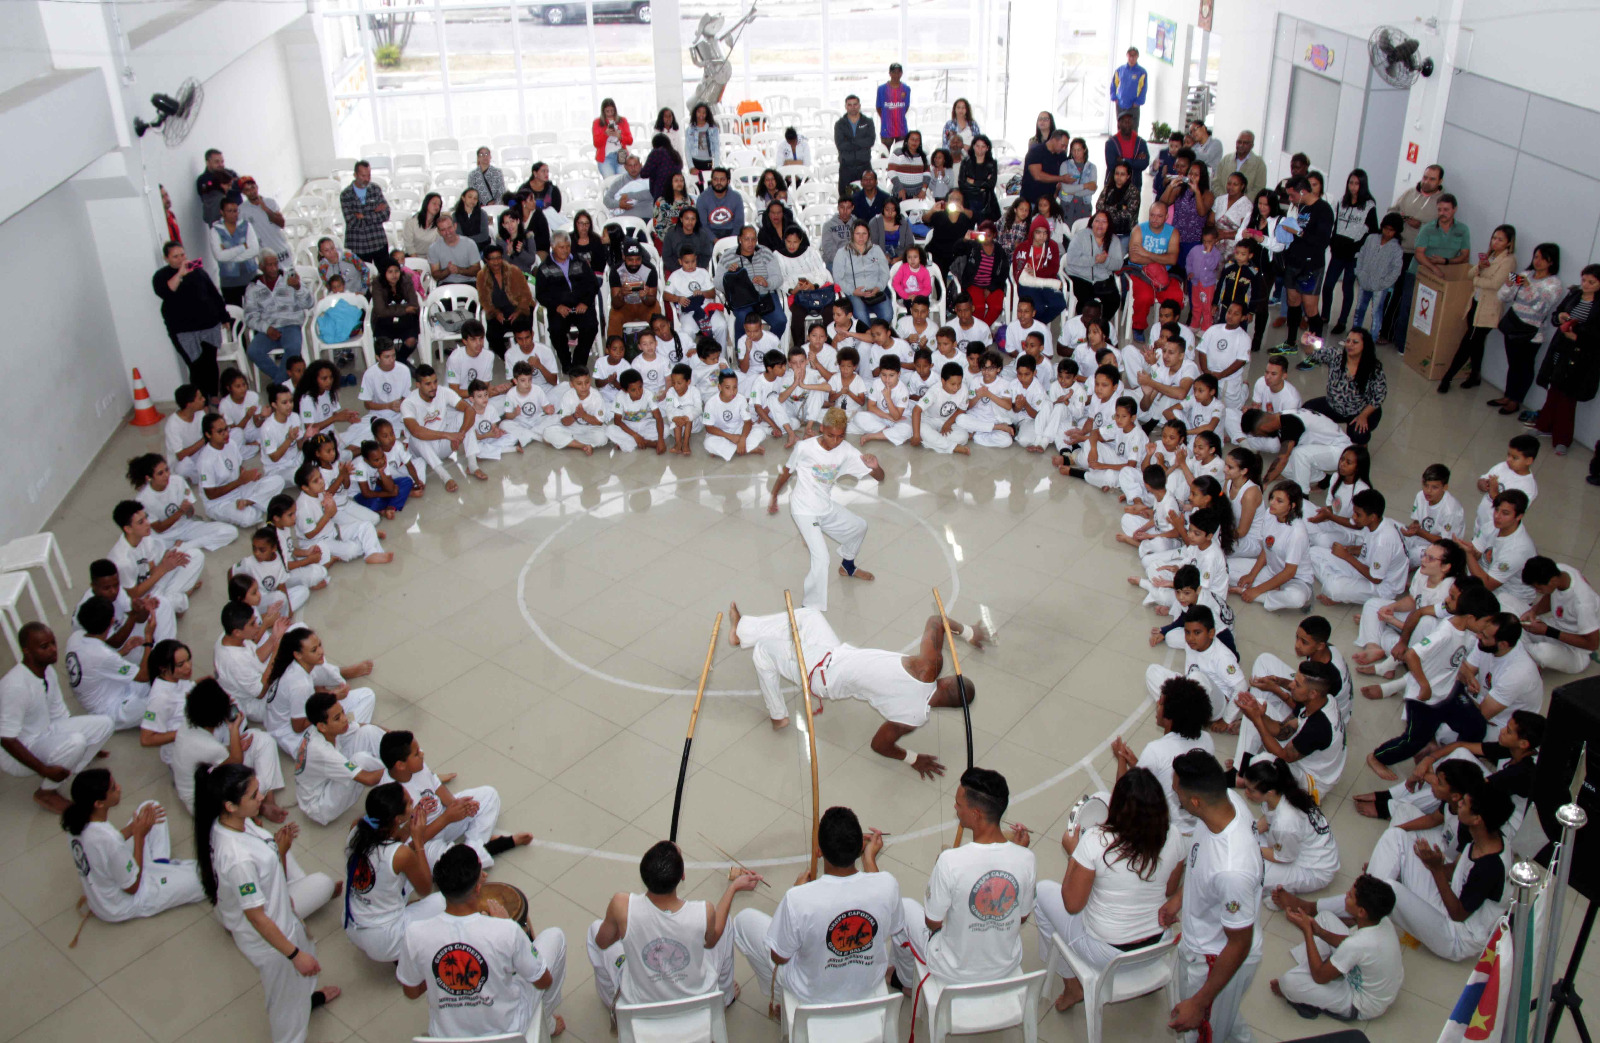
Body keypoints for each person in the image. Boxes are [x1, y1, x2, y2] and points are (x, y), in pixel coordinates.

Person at [196, 762, 341, 1041]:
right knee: (286, 1006)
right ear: (230, 806)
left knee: (301, 975)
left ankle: (306, 1000)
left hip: (283, 917)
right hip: (272, 941)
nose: (261, 797)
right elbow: (256, 916)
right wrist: (294, 955)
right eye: (253, 796)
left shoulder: (237, 823)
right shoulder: (237, 858)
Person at [732, 806, 900, 1019]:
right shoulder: (887, 884)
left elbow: (779, 956)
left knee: (743, 922)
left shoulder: (798, 898)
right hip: (866, 986)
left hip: (814, 994)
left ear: (818, 851)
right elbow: (890, 925)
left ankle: (782, 999)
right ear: (860, 848)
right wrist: (869, 859)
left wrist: (796, 891)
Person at [1036, 766, 1181, 1013]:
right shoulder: (1174, 835)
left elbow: (1072, 904)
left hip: (1108, 954)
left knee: (1041, 893)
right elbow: (1169, 888)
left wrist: (1074, 854)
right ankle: (1150, 984)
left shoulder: (1096, 840)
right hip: (1157, 947)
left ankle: (1072, 986)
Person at [400, 843, 567, 1037]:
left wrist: (442, 977)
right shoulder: (506, 930)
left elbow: (411, 992)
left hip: (447, 1037)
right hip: (508, 1032)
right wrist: (514, 929)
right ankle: (547, 1023)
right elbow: (543, 981)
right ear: (478, 887)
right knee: (555, 937)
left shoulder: (414, 933)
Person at [894, 768, 1035, 993]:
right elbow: (1023, 915)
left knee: (904, 909)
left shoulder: (950, 861)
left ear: (976, 814)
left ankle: (905, 982)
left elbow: (932, 922)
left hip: (953, 970)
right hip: (1005, 965)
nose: (955, 808)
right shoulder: (1026, 858)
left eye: (959, 804)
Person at [587, 841, 760, 1020]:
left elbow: (602, 941)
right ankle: (725, 996)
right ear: (683, 875)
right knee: (725, 926)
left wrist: (624, 930)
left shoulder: (621, 905)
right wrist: (733, 888)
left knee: (594, 930)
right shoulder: (702, 911)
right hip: (696, 1001)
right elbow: (713, 940)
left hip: (641, 1004)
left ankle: (613, 1003)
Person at [1165, 750, 1264, 1043]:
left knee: (1204, 1035)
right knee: (1226, 1020)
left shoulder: (1232, 868)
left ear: (1195, 801)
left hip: (1213, 959)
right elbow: (1201, 862)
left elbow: (1239, 943)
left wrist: (1199, 1002)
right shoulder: (1225, 802)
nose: (1175, 797)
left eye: (1177, 792)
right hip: (1204, 941)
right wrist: (1180, 898)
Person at [764, 408, 885, 610]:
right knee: (821, 558)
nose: (835, 441)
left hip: (824, 506)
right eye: (830, 436)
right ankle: (810, 607)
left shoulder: (846, 451)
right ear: (822, 429)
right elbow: (786, 472)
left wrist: (875, 466)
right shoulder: (804, 448)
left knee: (859, 526)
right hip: (803, 508)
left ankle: (847, 567)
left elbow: (880, 477)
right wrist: (774, 495)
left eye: (840, 436)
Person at [62, 767, 204, 923]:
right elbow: (132, 887)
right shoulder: (109, 839)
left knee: (150, 807)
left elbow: (106, 850)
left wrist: (132, 829)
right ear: (99, 803)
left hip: (110, 882)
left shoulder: (76, 821)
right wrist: (139, 836)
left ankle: (160, 866)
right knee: (205, 877)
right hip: (125, 902)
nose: (119, 788)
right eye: (113, 788)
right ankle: (161, 876)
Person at [0, 624, 114, 813]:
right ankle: (46, 792)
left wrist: (91, 741)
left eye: (53, 643)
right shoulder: (15, 687)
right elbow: (6, 739)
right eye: (44, 647)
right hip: (20, 751)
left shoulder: (47, 671)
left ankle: (71, 767)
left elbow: (59, 715)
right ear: (26, 651)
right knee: (76, 742)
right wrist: (44, 770)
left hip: (45, 732)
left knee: (105, 724)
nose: (53, 649)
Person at [1271, 876, 1404, 1021]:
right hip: (1374, 981)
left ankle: (1306, 988)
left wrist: (1307, 932)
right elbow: (1349, 942)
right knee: (1325, 917)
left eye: (1351, 896)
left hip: (1360, 1003)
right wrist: (1319, 931)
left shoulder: (1357, 944)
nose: (1346, 895)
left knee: (1288, 983)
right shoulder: (1382, 921)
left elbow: (1320, 977)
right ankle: (1321, 969)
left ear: (1361, 912)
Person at [343, 784, 447, 964]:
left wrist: (409, 822)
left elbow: (389, 839)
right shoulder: (400, 854)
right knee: (443, 901)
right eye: (409, 803)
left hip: (353, 925)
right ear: (397, 819)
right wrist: (418, 839)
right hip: (385, 939)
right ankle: (406, 952)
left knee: (397, 875)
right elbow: (424, 888)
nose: (413, 801)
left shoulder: (358, 827)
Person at [1239, 758, 1339, 902]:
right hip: (1294, 844)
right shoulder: (1283, 794)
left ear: (1270, 793)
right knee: (1244, 829)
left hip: (1313, 870)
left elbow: (1283, 857)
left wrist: (1250, 846)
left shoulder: (1286, 822)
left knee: (1248, 870)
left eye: (1251, 790)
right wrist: (1248, 833)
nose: (1246, 793)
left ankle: (1281, 894)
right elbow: (1268, 819)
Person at [1439, 224, 1518, 392]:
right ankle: (1475, 374)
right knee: (1476, 343)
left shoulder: (1508, 261)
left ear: (1509, 243)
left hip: (1488, 310)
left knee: (1468, 342)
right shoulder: (1490, 256)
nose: (1495, 242)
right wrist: (1480, 268)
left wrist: (1476, 280)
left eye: (1500, 239)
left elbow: (1495, 284)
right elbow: (1469, 273)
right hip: (1475, 303)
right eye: (1494, 238)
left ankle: (1448, 376)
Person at [1531, 263, 1600, 454]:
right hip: (1561, 348)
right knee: (1554, 390)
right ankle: (1544, 426)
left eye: (1591, 282)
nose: (1585, 285)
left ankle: (1563, 439)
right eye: (1584, 280)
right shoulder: (1575, 294)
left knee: (1568, 397)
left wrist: (1577, 334)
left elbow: (1596, 333)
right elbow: (1556, 315)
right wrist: (1560, 317)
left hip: (1582, 354)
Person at [1488, 243, 1563, 417]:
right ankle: (1508, 395)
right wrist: (1508, 284)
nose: (1538, 261)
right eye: (1536, 257)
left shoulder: (1554, 284)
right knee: (1513, 364)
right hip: (1513, 326)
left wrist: (1529, 287)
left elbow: (1541, 307)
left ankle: (1516, 399)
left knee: (1525, 366)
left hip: (1531, 333)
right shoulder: (1524, 274)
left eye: (1543, 258)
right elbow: (1503, 297)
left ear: (1551, 261)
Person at [152, 240, 229, 399]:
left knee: (210, 363)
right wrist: (180, 273)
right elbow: (166, 292)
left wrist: (224, 317)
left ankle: (213, 395)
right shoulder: (160, 276)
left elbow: (213, 294)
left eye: (182, 255)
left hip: (208, 325)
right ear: (166, 258)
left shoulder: (197, 270)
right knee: (195, 366)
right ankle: (200, 400)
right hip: (182, 330)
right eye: (175, 257)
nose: (180, 259)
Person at [1296, 328, 1387, 444]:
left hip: (1360, 410)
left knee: (1358, 434)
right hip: (1334, 405)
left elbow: (1379, 396)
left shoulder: (1374, 368)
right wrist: (1306, 343)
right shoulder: (1336, 356)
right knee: (1306, 411)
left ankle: (1361, 449)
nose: (1350, 345)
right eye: (1348, 341)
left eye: (1355, 342)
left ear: (1365, 345)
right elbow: (1313, 353)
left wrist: (1363, 415)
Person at [1276, 176, 1336, 349]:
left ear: (1302, 192)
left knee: (1310, 308)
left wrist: (1298, 232)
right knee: (1293, 302)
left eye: (1292, 195)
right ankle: (1290, 342)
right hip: (1294, 261)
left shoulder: (1324, 210)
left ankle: (1316, 349)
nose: (1290, 200)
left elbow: (1322, 242)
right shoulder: (1301, 207)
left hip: (1311, 266)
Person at [241, 252, 313, 385]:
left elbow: (309, 303)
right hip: (268, 328)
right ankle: (283, 381)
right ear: (261, 267)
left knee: (293, 348)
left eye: (275, 264)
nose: (274, 268)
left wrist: (298, 287)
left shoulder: (289, 279)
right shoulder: (253, 287)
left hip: (291, 324)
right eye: (269, 265)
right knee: (253, 351)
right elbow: (250, 316)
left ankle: (278, 385)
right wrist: (266, 329)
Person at [1519, 556, 1600, 672]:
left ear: (1552, 581)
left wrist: (1547, 631)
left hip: (1577, 652)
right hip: (1556, 627)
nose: (1538, 592)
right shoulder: (1560, 570)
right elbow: (1551, 596)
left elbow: (1592, 644)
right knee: (1509, 606)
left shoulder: (1583, 603)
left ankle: (1522, 649)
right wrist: (1533, 611)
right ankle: (1525, 649)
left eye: (1539, 588)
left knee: (1542, 653)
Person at [533, 234, 600, 373]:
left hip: (581, 306)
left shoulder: (580, 262)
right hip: (559, 308)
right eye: (561, 247)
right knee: (556, 330)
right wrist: (556, 306)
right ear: (552, 247)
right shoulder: (544, 268)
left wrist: (585, 303)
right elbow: (541, 294)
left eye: (567, 246)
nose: (565, 250)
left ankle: (579, 361)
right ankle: (565, 361)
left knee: (591, 326)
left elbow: (593, 285)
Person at [1128, 200, 1184, 341]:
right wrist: (1160, 259)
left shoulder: (1173, 232)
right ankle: (1138, 327)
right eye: (1152, 215)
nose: (1154, 219)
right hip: (1140, 272)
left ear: (1166, 217)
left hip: (1166, 273)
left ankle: (1169, 328)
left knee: (1176, 297)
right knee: (1144, 297)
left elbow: (1172, 260)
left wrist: (1146, 253)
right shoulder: (1138, 230)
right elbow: (1134, 258)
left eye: (1159, 216)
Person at [834, 222, 892, 327]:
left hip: (875, 291)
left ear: (869, 234)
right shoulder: (842, 253)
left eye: (864, 233)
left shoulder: (876, 250)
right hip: (855, 293)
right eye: (857, 233)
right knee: (861, 316)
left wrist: (878, 287)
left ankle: (877, 337)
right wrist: (853, 291)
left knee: (887, 315)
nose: (861, 237)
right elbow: (838, 279)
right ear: (852, 234)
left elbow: (885, 273)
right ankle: (868, 337)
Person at [208, 198, 261, 307]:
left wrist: (229, 254)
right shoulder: (215, 230)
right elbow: (219, 256)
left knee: (256, 312)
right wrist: (243, 247)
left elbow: (254, 250)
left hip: (250, 277)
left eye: (236, 210)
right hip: (229, 282)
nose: (234, 214)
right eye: (230, 211)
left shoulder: (246, 226)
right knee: (235, 318)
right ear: (222, 212)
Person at [339, 160, 391, 269]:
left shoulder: (375, 189)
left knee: (384, 276)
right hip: (358, 245)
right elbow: (352, 222)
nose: (367, 179)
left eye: (369, 175)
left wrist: (364, 216)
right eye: (363, 176)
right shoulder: (346, 195)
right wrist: (374, 212)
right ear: (355, 175)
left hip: (378, 242)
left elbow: (386, 214)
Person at [834, 94, 877, 193]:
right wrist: (860, 142)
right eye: (850, 105)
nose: (853, 107)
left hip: (864, 165)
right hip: (846, 167)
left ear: (859, 105)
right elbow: (841, 145)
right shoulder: (840, 124)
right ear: (846, 107)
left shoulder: (868, 122)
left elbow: (870, 141)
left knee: (868, 196)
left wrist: (851, 141)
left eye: (855, 104)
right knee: (845, 197)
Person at [662, 204, 714, 277]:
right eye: (687, 218)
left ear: (696, 220)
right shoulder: (671, 233)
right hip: (675, 271)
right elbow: (667, 256)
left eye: (693, 219)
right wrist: (680, 271)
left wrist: (694, 269)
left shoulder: (702, 234)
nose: (690, 222)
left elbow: (706, 256)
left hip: (697, 271)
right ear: (681, 219)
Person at [958, 134, 1000, 222]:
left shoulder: (992, 163)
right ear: (973, 146)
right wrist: (981, 185)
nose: (980, 149)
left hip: (986, 202)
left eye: (983, 146)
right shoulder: (965, 162)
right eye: (977, 146)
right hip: (969, 200)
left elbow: (991, 184)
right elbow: (962, 184)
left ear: (987, 148)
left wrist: (973, 182)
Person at [695, 166, 745, 241]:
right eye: (715, 179)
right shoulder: (702, 199)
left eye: (722, 179)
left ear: (728, 181)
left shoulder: (736, 197)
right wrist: (714, 240)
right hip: (710, 232)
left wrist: (730, 240)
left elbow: (739, 223)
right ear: (711, 181)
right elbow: (703, 225)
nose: (718, 182)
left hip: (731, 232)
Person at [1021, 130, 1070, 206]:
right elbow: (1037, 176)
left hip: (1049, 201)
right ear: (1054, 140)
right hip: (1031, 201)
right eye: (1063, 145)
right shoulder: (1036, 151)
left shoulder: (1061, 155)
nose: (1064, 148)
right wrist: (1061, 178)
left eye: (1066, 146)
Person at [1213, 131, 1265, 201]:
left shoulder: (1258, 164)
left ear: (1252, 145)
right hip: (1222, 202)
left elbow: (1259, 188)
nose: (1241, 145)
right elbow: (1215, 182)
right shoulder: (1226, 160)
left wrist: (1240, 201)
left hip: (1245, 206)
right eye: (1239, 142)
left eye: (1245, 143)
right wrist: (1225, 198)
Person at [1104, 111, 1151, 185]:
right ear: (1119, 124)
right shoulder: (1111, 143)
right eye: (1124, 121)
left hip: (1135, 184)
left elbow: (1144, 164)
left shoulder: (1141, 143)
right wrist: (1134, 160)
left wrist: (1123, 159)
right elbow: (1111, 165)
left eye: (1129, 121)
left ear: (1133, 123)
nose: (1127, 123)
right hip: (1115, 185)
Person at [592, 96, 632, 176]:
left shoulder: (622, 121)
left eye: (612, 111)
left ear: (615, 110)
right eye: (607, 111)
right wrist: (605, 134)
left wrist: (620, 136)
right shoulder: (597, 122)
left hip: (621, 154)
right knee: (610, 182)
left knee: (623, 179)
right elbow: (596, 144)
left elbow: (630, 140)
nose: (610, 113)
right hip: (606, 157)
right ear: (603, 112)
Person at [875, 62, 910, 147]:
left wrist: (898, 116)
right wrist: (886, 119)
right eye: (894, 72)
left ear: (901, 73)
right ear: (889, 73)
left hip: (901, 129)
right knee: (884, 156)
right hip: (886, 129)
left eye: (898, 72)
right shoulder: (881, 89)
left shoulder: (906, 89)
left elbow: (906, 107)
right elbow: (878, 107)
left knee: (901, 156)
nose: (896, 74)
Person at [684, 103, 720, 184]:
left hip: (708, 162)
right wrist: (691, 167)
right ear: (695, 113)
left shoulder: (713, 128)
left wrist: (716, 167)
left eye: (704, 112)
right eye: (699, 112)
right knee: (698, 187)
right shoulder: (690, 129)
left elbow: (717, 148)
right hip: (695, 162)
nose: (701, 114)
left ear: (707, 114)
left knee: (709, 187)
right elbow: (687, 149)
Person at [400, 193, 443, 259]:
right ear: (426, 203)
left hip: (430, 258)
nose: (437, 207)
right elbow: (409, 245)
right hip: (412, 257)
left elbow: (439, 246)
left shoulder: (438, 224)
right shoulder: (411, 221)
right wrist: (418, 264)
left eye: (439, 205)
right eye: (434, 203)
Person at [1110, 47, 1148, 122]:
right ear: (1127, 55)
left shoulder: (1142, 72)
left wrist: (1137, 103)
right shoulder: (1120, 70)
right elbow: (1113, 85)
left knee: (1133, 130)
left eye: (1134, 55)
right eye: (1130, 55)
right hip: (1120, 104)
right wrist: (1114, 98)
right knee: (1121, 128)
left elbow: (1144, 89)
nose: (1132, 58)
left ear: (1137, 56)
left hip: (1133, 107)